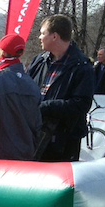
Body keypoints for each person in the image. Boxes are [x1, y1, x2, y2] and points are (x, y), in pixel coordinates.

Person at [27, 13, 95, 162]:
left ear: (54, 36)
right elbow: (26, 89)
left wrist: (46, 106)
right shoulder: (39, 60)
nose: (39, 37)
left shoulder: (82, 66)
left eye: (43, 33)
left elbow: (81, 104)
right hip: (35, 132)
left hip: (64, 141)